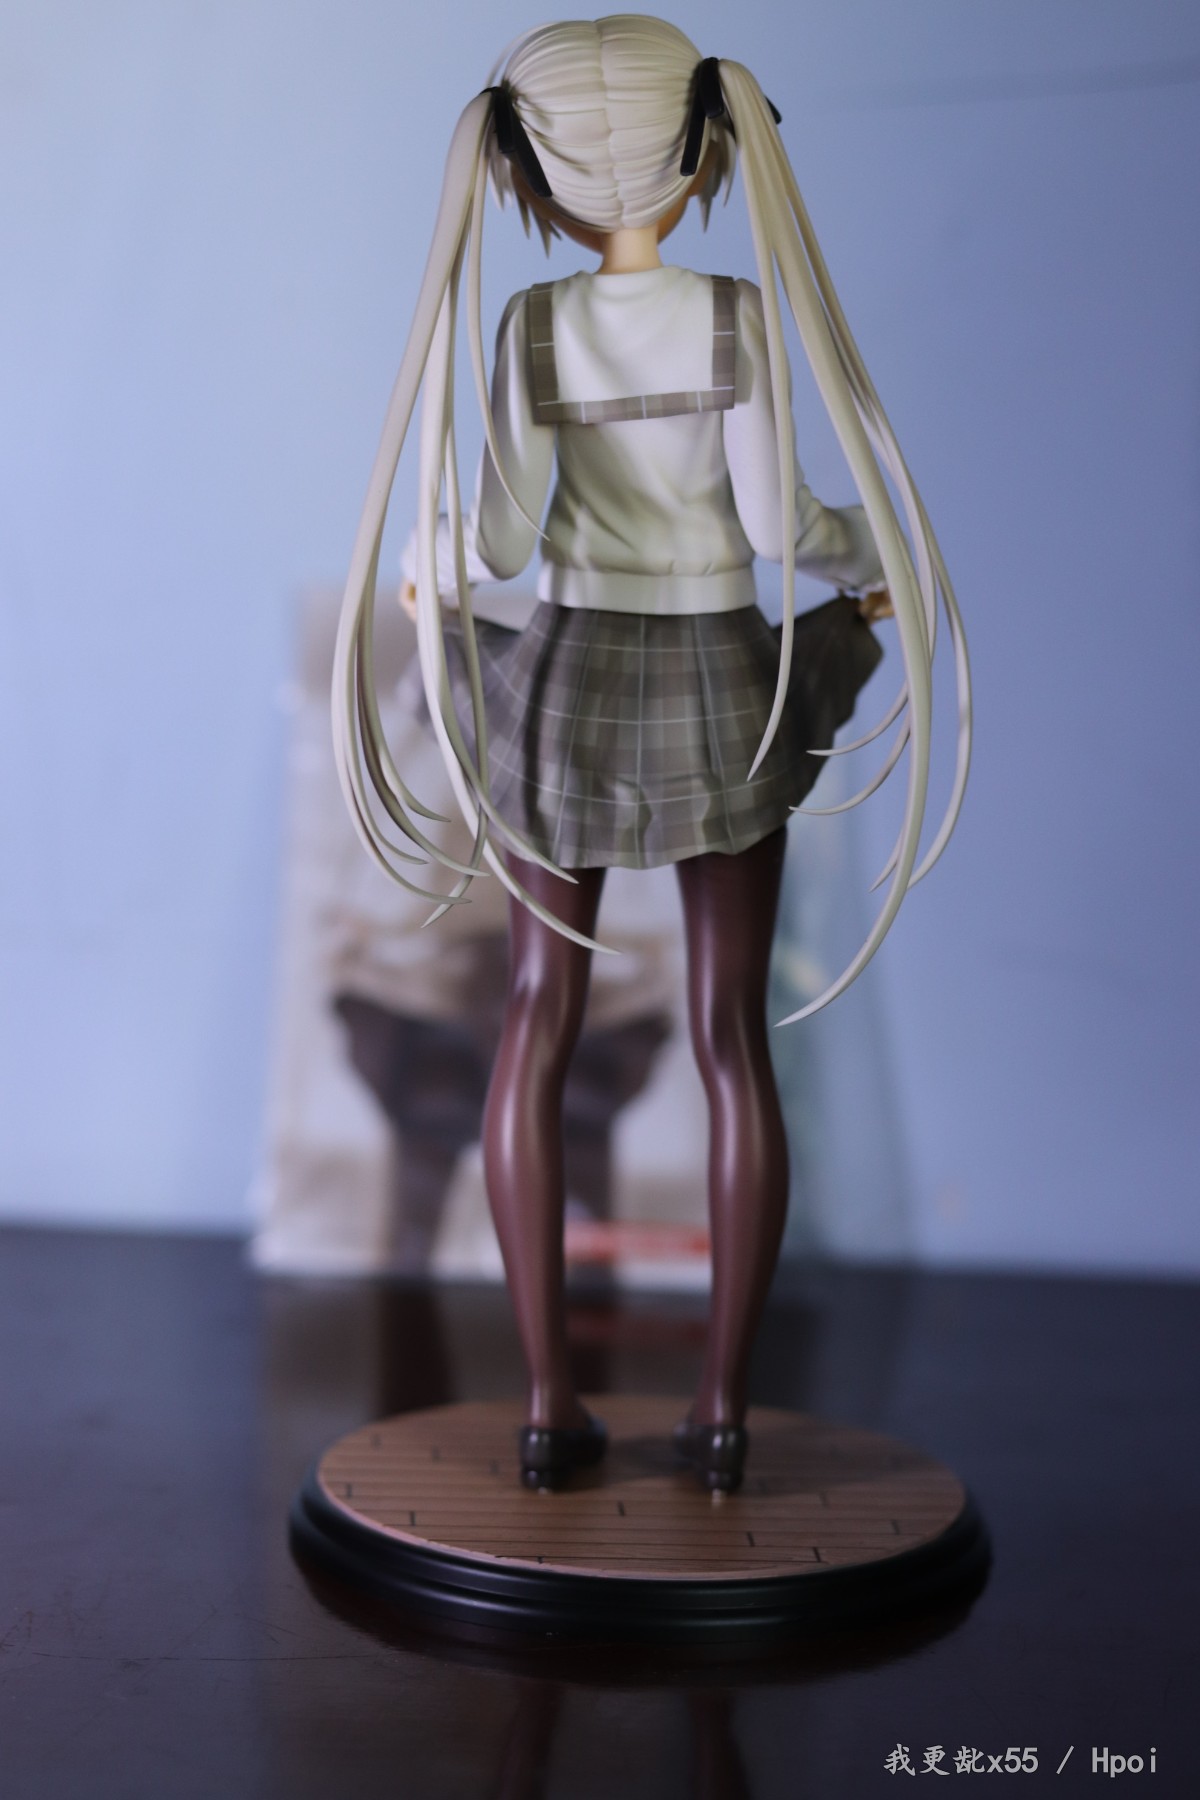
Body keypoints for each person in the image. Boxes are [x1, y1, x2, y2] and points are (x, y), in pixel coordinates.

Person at [332, 17, 970, 1492]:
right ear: (697, 158)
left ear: (536, 174)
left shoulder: (532, 327)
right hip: (717, 677)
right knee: (733, 1035)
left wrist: (426, 561)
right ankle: (723, 1414)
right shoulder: (736, 314)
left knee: (533, 1019)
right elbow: (779, 526)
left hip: (569, 676)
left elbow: (498, 542)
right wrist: (869, 556)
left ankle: (549, 1406)